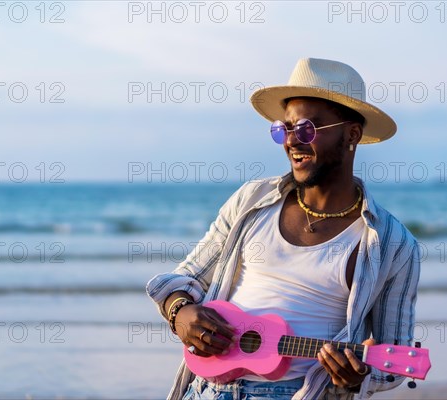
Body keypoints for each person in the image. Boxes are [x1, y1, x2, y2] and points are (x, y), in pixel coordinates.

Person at [146, 58, 421, 399]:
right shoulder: (251, 201)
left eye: (307, 129)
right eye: (284, 129)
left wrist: (356, 377)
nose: (291, 141)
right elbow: (183, 279)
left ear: (351, 134)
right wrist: (180, 313)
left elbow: (391, 358)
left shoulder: (393, 244)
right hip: (206, 389)